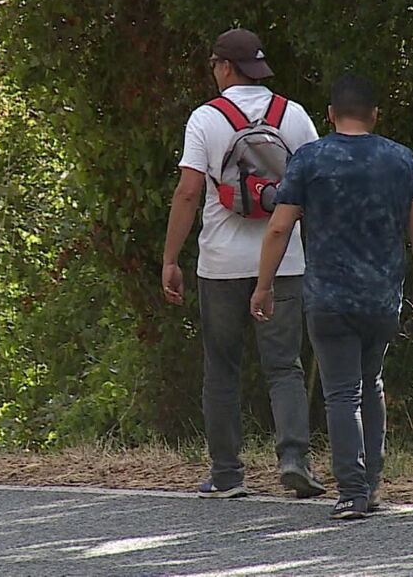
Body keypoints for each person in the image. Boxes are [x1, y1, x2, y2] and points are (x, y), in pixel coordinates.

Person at [250, 74, 413, 519]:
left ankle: (351, 491)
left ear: (331, 114)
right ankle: (370, 485)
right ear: (375, 114)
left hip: (328, 298)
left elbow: (279, 227)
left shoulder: (310, 159)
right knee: (371, 384)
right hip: (381, 297)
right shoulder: (402, 160)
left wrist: (264, 286)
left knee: (341, 393)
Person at [162, 28, 324, 499]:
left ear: (225, 67)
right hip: (284, 261)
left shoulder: (206, 118)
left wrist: (170, 258)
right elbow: (317, 182)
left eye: (214, 64)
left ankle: (228, 474)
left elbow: (188, 192)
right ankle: (294, 459)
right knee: (284, 366)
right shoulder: (293, 115)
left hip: (220, 264)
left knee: (221, 368)